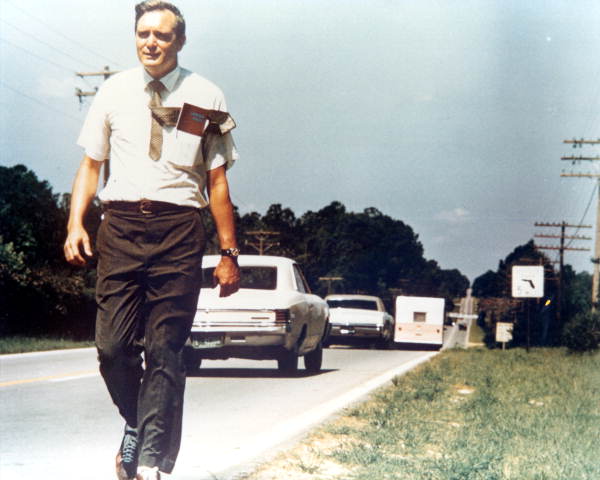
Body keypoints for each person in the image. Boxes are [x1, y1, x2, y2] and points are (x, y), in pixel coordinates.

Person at [63, 2, 240, 479]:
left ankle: (151, 465)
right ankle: (136, 423)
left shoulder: (206, 95)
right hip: (119, 228)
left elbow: (218, 183)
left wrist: (228, 252)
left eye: (162, 35)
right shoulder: (113, 92)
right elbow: (90, 166)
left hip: (179, 232)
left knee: (165, 349)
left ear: (180, 41)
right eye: (143, 33)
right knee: (113, 349)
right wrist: (75, 223)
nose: (151, 43)